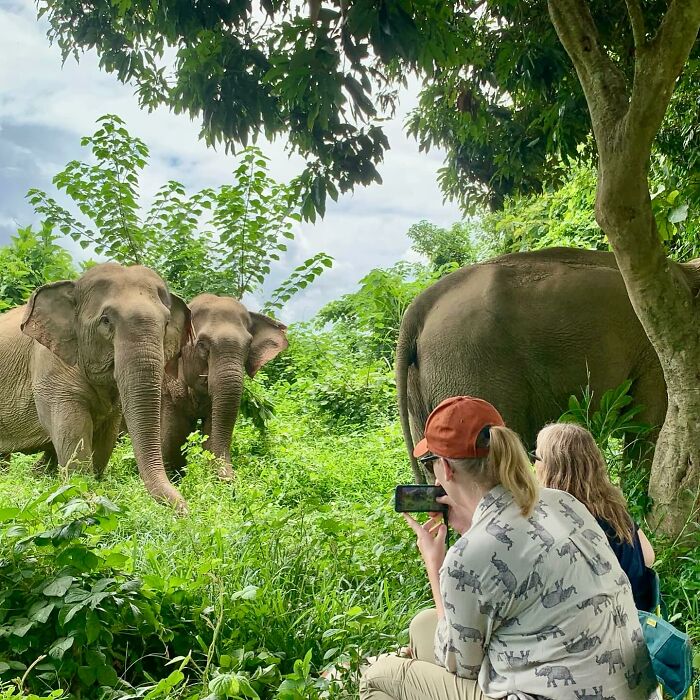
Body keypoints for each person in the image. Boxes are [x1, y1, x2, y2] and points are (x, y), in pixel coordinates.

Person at [360, 396, 657, 700]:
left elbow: (459, 663)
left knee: (379, 676)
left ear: (446, 469)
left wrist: (435, 564)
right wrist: (472, 528)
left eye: (431, 463)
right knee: (424, 624)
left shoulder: (468, 556)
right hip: (634, 690)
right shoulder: (563, 503)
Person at [533, 422, 656, 611]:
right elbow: (648, 556)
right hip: (634, 623)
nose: (534, 464)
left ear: (551, 467)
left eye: (537, 457)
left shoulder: (554, 518)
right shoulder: (613, 510)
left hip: (595, 628)